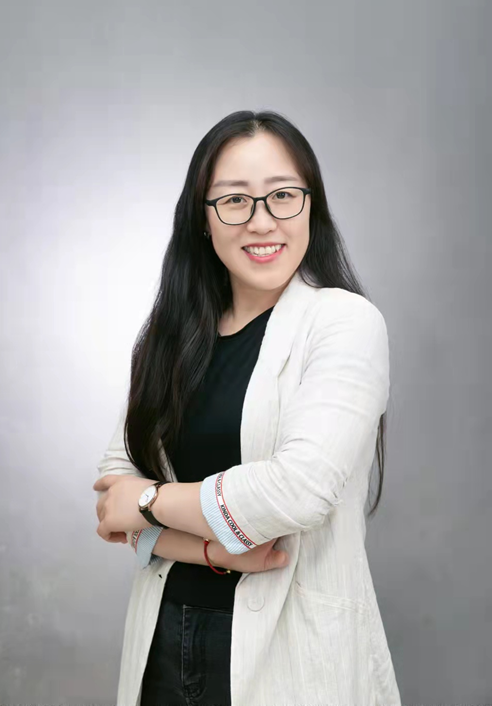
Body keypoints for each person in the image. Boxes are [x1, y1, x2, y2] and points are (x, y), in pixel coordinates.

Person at [93, 109, 402, 706]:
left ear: (311, 206)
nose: (262, 221)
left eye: (283, 195)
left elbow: (297, 491)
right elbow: (113, 497)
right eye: (235, 200)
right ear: (203, 219)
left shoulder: (343, 323)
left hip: (294, 655)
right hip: (164, 640)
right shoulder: (172, 337)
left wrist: (152, 502)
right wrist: (210, 548)